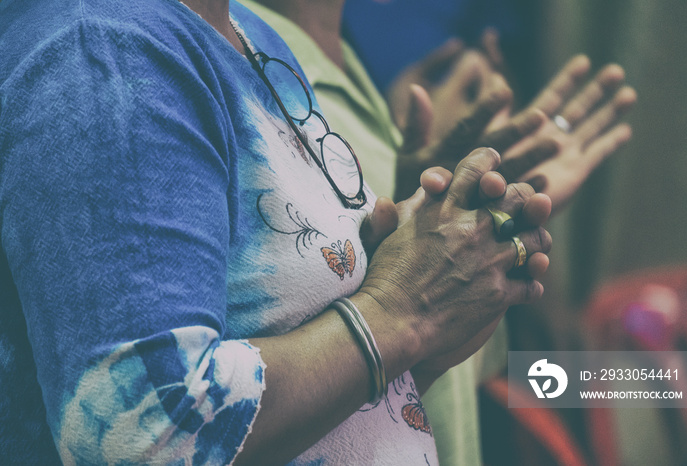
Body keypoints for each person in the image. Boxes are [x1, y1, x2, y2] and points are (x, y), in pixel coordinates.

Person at [0, 0, 554, 464]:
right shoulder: (99, 50)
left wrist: (431, 321)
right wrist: (404, 309)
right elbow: (150, 430)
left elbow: (298, 405)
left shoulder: (243, 30)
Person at [237, 1, 636, 464]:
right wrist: (408, 294)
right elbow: (205, 416)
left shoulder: (352, 69)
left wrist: (463, 236)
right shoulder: (237, 71)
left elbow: (437, 372)